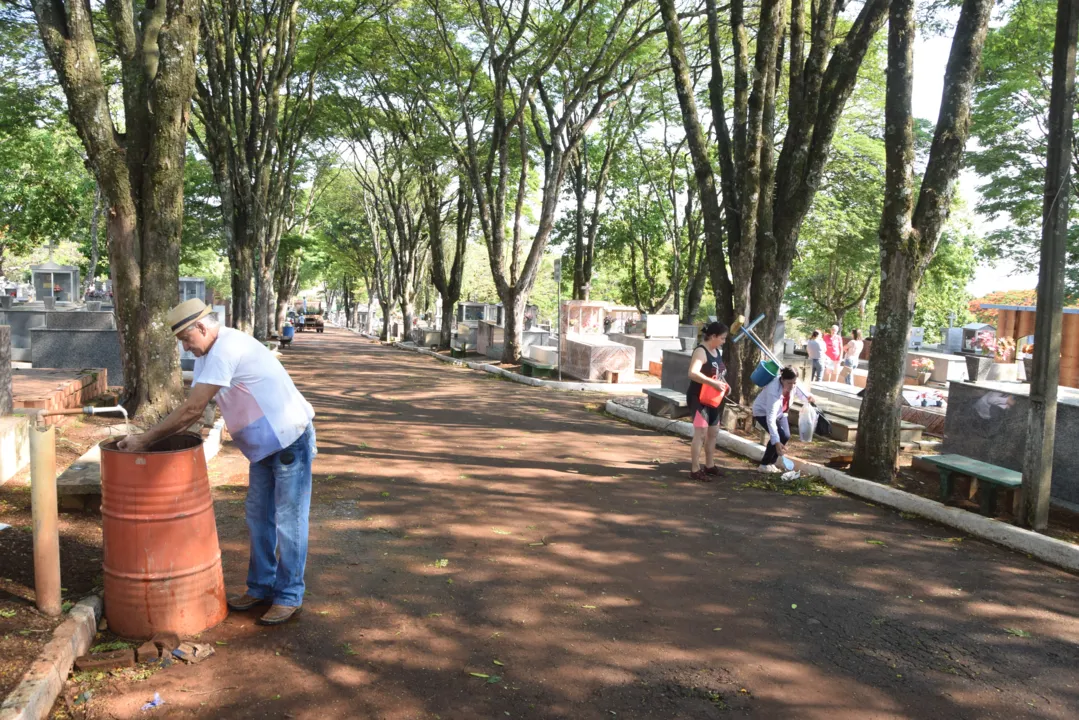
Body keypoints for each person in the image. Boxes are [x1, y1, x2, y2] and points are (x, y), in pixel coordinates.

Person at [118, 299, 316, 626]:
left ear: (203, 327)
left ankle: (289, 595)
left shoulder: (226, 348)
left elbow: (193, 409)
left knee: (288, 521)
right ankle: (261, 587)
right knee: (258, 518)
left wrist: (145, 440)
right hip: (265, 447)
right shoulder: (208, 354)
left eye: (186, 338)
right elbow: (202, 404)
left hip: (289, 440)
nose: (184, 346)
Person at [686, 321, 729, 481]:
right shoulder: (701, 351)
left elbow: (718, 373)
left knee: (713, 432)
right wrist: (713, 383)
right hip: (698, 398)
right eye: (722, 338)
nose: (724, 341)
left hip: (713, 399)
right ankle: (695, 469)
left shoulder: (717, 351)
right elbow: (692, 373)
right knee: (701, 432)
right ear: (713, 336)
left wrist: (724, 384)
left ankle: (709, 466)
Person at [752, 366, 812, 473]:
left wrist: (808, 397)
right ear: (782, 379)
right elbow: (770, 418)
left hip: (781, 412)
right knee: (778, 436)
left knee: (785, 436)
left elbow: (802, 395)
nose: (792, 386)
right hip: (763, 412)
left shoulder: (794, 384)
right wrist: (776, 441)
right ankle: (764, 464)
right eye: (789, 383)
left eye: (794, 383)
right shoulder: (773, 390)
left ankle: (771, 463)